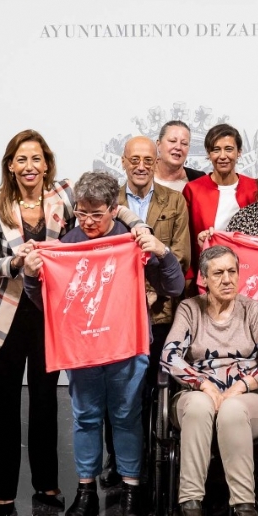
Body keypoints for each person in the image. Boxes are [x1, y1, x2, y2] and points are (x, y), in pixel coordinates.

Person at [23, 173, 184, 516]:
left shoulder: (132, 241)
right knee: (85, 418)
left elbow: (174, 286)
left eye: (96, 214)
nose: (88, 222)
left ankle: (131, 488)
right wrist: (32, 277)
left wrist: (161, 251)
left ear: (115, 208)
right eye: (81, 213)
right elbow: (46, 303)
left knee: (126, 417)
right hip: (83, 348)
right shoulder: (68, 244)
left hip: (126, 346)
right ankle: (86, 491)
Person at [162, 244, 258, 516]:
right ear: (204, 279)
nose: (227, 279)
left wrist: (242, 386)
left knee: (233, 410)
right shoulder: (190, 309)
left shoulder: (253, 310)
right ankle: (191, 505)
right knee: (198, 406)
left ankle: (245, 507)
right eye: (218, 273)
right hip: (199, 394)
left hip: (250, 399)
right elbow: (169, 356)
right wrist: (203, 383)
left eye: (232, 271)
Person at [0, 130, 67, 516]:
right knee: (5, 404)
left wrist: (140, 228)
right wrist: (15, 263)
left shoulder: (64, 197)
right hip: (7, 313)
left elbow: (106, 217)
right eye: (21, 159)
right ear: (10, 165)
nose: (29, 166)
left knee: (46, 401)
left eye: (36, 159)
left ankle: (47, 485)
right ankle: (3, 490)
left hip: (50, 314)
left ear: (46, 163)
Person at [101, 136, 191, 488]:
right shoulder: (110, 203)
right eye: (133, 159)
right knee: (119, 394)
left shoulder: (175, 201)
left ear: (156, 163)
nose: (141, 165)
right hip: (117, 316)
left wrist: (154, 270)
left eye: (147, 160)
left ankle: (154, 460)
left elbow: (181, 257)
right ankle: (117, 460)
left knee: (157, 388)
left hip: (161, 314)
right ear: (122, 162)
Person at [182, 124, 257, 279]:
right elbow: (185, 238)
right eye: (216, 150)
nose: (223, 156)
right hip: (207, 273)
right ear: (209, 154)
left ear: (239, 153)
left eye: (229, 149)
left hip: (248, 271)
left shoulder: (255, 188)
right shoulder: (193, 189)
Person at [155, 120, 204, 191]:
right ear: (159, 144)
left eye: (184, 143)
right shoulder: (141, 176)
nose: (178, 147)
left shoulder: (199, 179)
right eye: (172, 141)